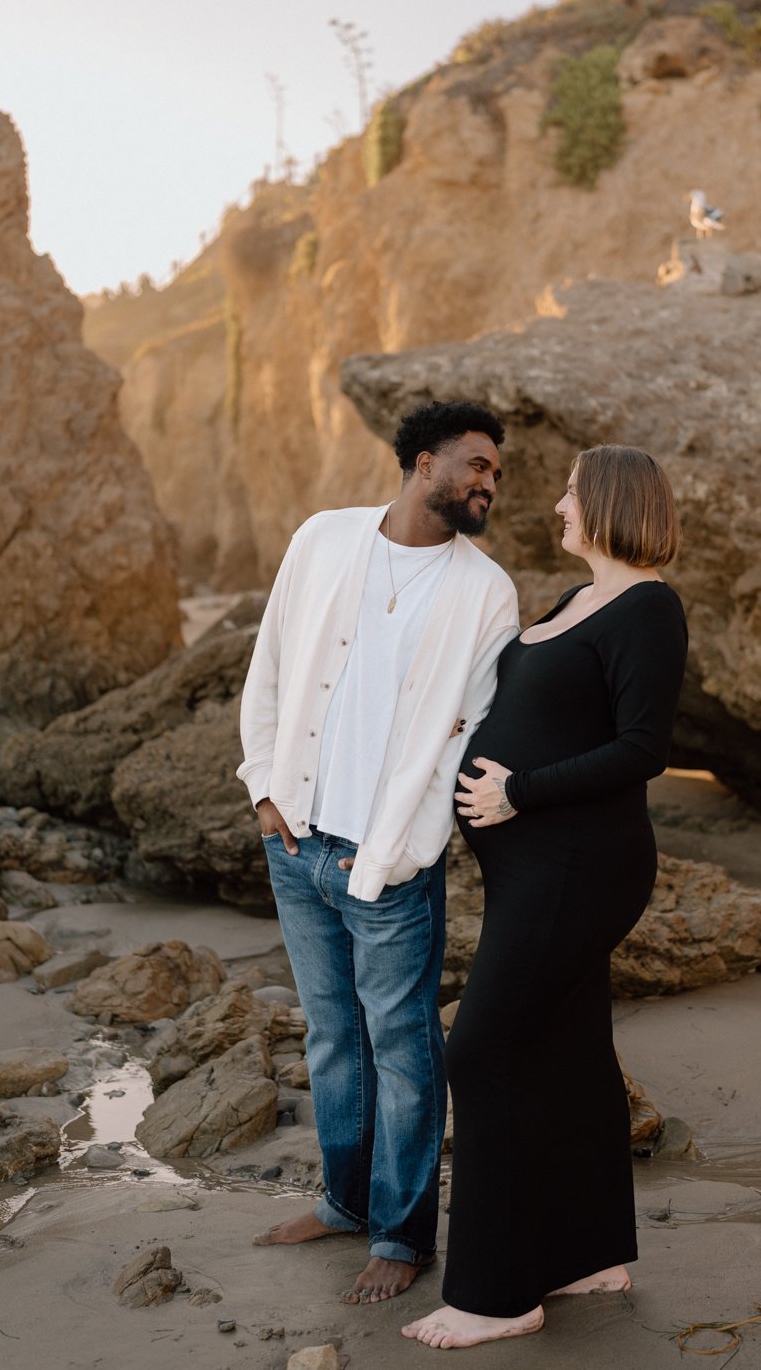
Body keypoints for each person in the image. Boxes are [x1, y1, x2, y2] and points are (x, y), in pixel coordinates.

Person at [403, 443, 688, 1349]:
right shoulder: (580, 600)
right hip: (539, 865)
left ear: (606, 501)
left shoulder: (649, 610)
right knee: (567, 1049)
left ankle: (496, 1294)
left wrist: (516, 793)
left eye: (570, 491)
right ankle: (589, 1255)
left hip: (581, 864)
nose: (558, 504)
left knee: (482, 1055)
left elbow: (644, 749)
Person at [238, 400, 518, 1307]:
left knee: (401, 1049)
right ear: (423, 461)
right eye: (477, 465)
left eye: (497, 476)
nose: (488, 484)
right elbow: (271, 659)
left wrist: (407, 850)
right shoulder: (324, 538)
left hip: (390, 863)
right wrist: (264, 784)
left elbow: (461, 738)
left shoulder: (487, 592)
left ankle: (402, 1235)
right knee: (330, 1038)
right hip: (298, 839)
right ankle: (343, 1201)